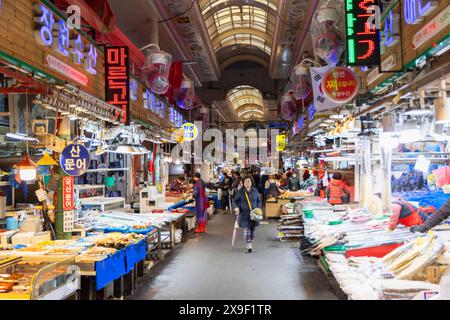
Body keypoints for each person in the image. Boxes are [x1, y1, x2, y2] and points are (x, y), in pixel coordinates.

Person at [233, 175, 262, 253]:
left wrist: (258, 208)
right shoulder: (240, 191)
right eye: (245, 181)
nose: (247, 182)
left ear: (251, 182)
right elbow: (234, 201)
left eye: (249, 181)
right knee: (246, 229)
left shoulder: (255, 190)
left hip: (254, 214)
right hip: (244, 214)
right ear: (243, 183)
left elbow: (259, 200)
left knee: (252, 229)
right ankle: (248, 243)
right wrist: (236, 208)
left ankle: (250, 241)